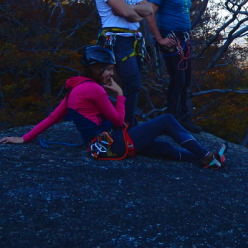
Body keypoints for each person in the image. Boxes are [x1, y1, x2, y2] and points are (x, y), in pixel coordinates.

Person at [0, 46, 226, 168]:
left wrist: (24, 138)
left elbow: (51, 119)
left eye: (111, 69)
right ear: (95, 69)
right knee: (166, 120)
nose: (110, 74)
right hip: (112, 143)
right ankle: (206, 156)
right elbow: (119, 122)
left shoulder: (74, 90)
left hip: (99, 147)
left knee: (158, 148)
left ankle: (208, 159)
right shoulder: (94, 89)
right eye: (107, 69)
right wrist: (119, 95)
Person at [94, 0, 152, 127]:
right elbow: (127, 14)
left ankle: (127, 122)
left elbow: (148, 10)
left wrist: (130, 9)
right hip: (116, 40)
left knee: (133, 84)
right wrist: (131, 12)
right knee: (131, 82)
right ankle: (127, 126)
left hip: (132, 40)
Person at [147, 0, 201, 133]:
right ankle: (172, 121)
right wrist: (159, 39)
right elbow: (149, 13)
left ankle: (184, 118)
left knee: (185, 80)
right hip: (170, 39)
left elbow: (180, 13)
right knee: (177, 80)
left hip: (184, 39)